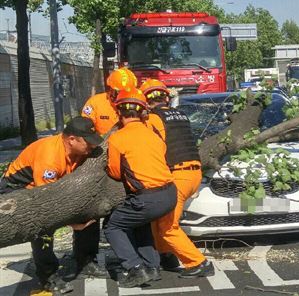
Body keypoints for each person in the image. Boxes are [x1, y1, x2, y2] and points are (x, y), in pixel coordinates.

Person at [0, 117, 104, 294]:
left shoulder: (78, 151)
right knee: (42, 229)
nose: (92, 146)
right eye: (87, 142)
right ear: (72, 139)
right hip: (18, 190)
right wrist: (72, 223)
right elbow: (46, 205)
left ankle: (86, 260)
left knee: (89, 213)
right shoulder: (50, 158)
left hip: (50, 188)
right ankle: (48, 276)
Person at [104, 88, 177, 288]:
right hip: (170, 193)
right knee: (140, 222)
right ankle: (152, 266)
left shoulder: (117, 138)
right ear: (143, 112)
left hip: (148, 198)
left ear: (118, 112)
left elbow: (115, 173)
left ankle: (134, 267)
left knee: (113, 226)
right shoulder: (152, 135)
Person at [140, 79, 213, 278]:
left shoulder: (153, 119)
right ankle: (167, 256)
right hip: (193, 173)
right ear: (165, 96)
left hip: (177, 175)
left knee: (167, 226)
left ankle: (199, 262)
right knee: (159, 218)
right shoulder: (181, 115)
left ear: (146, 100)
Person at [82, 68, 138, 135]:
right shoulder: (95, 102)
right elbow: (85, 128)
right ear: (111, 88)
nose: (122, 96)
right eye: (119, 92)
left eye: (127, 93)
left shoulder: (136, 105)